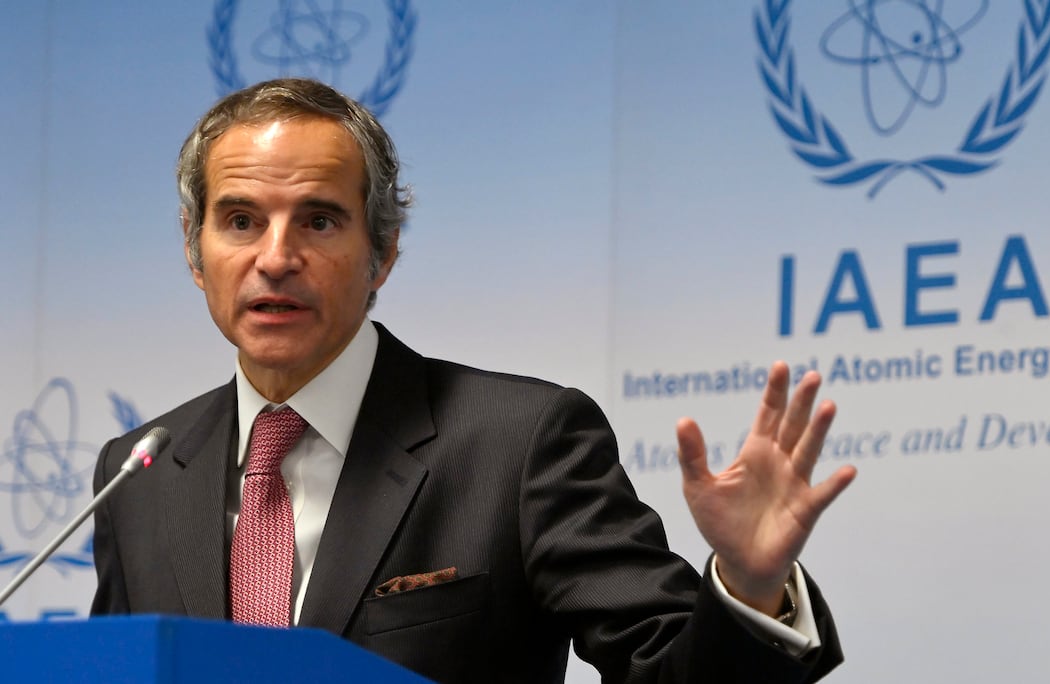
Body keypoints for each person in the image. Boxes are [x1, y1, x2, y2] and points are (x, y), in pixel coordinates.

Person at [90, 78, 856, 683]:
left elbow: (665, 670)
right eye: (241, 221)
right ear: (194, 250)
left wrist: (748, 587)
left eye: (319, 221)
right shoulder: (138, 475)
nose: (275, 257)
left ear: (383, 252)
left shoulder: (520, 444)